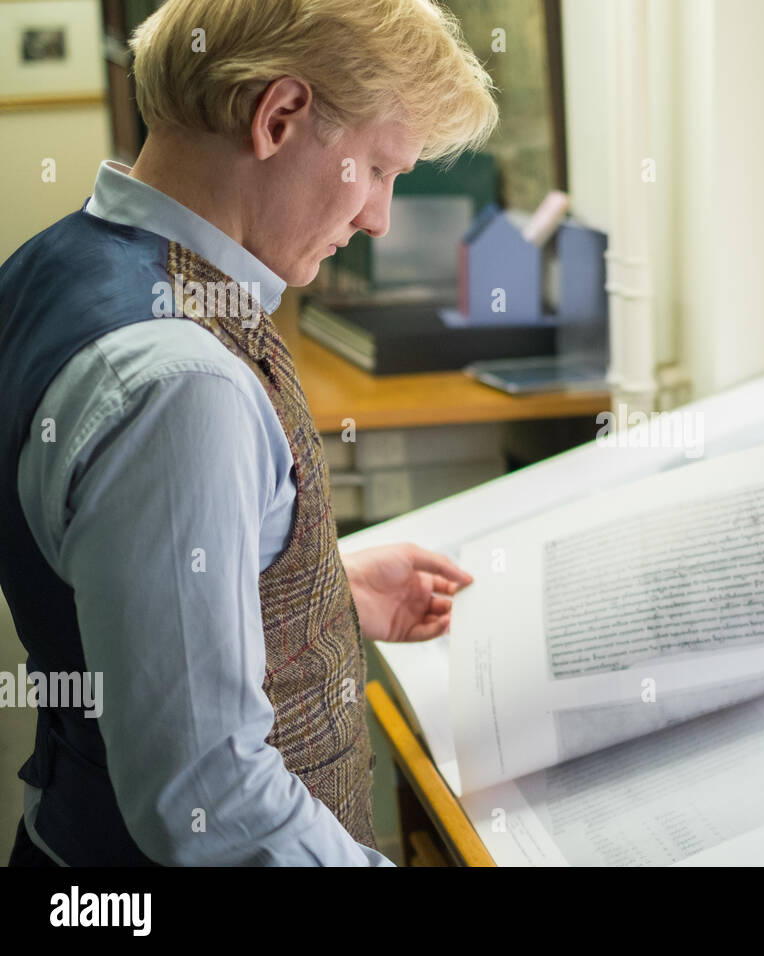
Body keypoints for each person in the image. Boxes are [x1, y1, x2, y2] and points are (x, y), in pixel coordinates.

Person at [0, 0, 498, 865]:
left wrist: (319, 584)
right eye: (380, 168)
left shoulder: (52, 262)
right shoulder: (184, 385)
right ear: (280, 117)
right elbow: (209, 795)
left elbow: (120, 573)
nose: (380, 216)